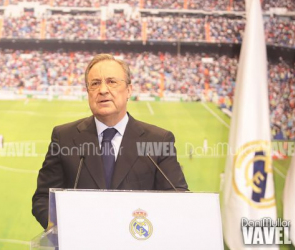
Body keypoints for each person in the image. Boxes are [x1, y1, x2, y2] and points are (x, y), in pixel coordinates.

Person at [32, 54, 188, 229]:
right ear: (88, 92)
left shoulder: (158, 140)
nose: (103, 90)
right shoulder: (64, 137)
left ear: (129, 90)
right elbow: (43, 199)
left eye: (112, 82)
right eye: (95, 83)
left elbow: (178, 198)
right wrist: (68, 230)